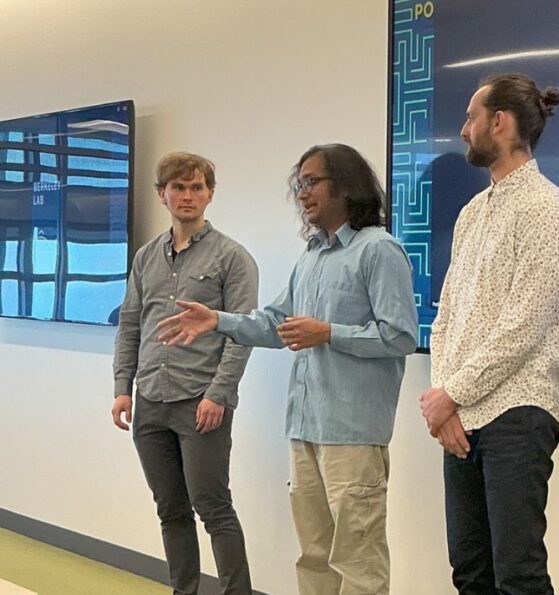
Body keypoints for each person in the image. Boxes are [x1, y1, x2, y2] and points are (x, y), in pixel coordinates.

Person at [156, 143, 418, 595]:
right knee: (314, 556)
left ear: (345, 185)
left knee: (358, 561)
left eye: (311, 182)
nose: (302, 193)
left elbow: (400, 336)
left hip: (353, 434)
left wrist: (329, 333)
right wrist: (218, 320)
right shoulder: (313, 256)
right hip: (305, 428)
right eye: (299, 184)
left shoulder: (379, 250)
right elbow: (276, 323)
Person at [420, 73, 559, 594]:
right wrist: (444, 397)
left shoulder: (547, 209)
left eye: (471, 118)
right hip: (462, 415)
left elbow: (524, 326)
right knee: (470, 570)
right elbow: (446, 316)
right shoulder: (472, 213)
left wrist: (452, 394)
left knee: (518, 573)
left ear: (500, 122)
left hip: (518, 413)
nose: (464, 129)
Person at [111, 152, 258, 594]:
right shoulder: (145, 258)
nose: (188, 195)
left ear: (210, 194)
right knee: (170, 510)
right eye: (178, 187)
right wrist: (123, 389)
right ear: (162, 194)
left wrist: (219, 394)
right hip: (151, 401)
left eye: (197, 187)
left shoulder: (233, 257)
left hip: (201, 402)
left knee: (213, 507)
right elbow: (131, 324)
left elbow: (244, 332)